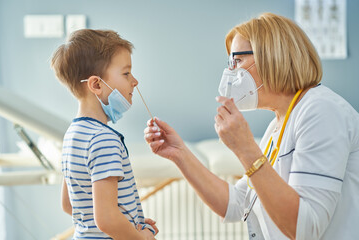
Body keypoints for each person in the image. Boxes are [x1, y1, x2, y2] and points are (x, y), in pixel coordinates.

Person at [144, 13, 359, 240]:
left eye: (237, 60)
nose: (231, 71)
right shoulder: (278, 125)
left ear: (272, 57)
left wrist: (245, 148)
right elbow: (236, 203)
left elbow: (305, 229)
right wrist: (179, 154)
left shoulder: (321, 111)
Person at [51, 29, 158, 240]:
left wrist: (127, 224)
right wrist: (142, 238)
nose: (134, 81)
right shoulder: (104, 140)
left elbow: (68, 204)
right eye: (126, 73)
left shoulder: (72, 134)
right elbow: (107, 219)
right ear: (97, 84)